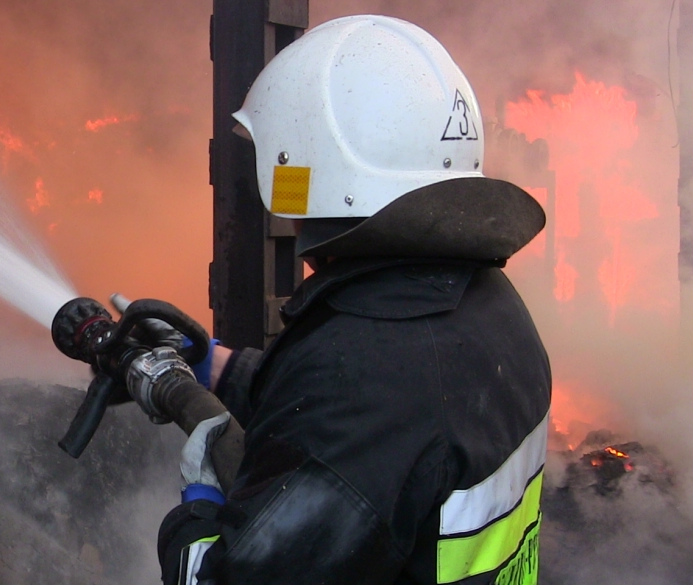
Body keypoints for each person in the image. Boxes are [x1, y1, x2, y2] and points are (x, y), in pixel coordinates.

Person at [121, 15, 551, 585]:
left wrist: (199, 506)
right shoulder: (488, 308)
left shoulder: (366, 378)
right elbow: (376, 423)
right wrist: (212, 365)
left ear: (316, 166)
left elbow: (224, 577)